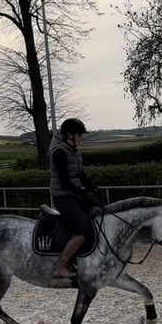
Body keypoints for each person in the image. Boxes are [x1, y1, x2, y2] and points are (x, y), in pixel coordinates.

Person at [49, 118, 101, 278]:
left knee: (99, 213)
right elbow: (64, 181)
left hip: (74, 195)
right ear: (69, 135)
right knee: (82, 230)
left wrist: (92, 187)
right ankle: (61, 266)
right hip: (63, 196)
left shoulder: (74, 151)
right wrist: (82, 191)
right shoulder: (59, 152)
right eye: (79, 135)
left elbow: (80, 175)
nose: (81, 138)